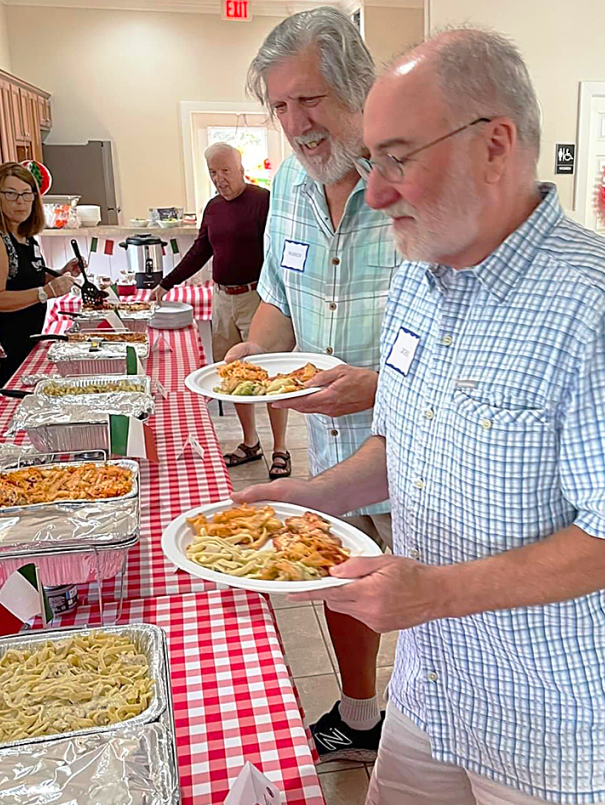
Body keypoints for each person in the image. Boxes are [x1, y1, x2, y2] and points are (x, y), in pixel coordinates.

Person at [236, 28, 605, 805]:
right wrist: (305, 500)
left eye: (398, 158)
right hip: (434, 685)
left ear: (495, 145)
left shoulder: (604, 305)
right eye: (372, 159)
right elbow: (402, 444)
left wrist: (433, 593)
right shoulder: (422, 275)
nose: (375, 191)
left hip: (548, 719)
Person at [230, 6, 400, 761]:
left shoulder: (407, 183)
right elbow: (278, 299)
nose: (296, 123)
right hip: (330, 441)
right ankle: (361, 718)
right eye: (279, 105)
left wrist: (379, 389)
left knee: (441, 603)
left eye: (311, 98)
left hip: (422, 447)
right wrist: (249, 354)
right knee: (346, 583)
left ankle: (448, 745)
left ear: (359, 88)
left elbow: (468, 339)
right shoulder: (290, 190)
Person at [150, 144, 290, 478]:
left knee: (270, 374)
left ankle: (281, 448)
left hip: (259, 298)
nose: (219, 179)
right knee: (233, 372)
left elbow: (280, 250)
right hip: (223, 299)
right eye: (213, 172)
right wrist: (167, 283)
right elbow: (201, 250)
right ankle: (250, 442)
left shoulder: (263, 201)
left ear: (241, 168)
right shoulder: (213, 208)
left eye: (225, 171)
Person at [0, 163, 78, 385]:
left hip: (27, 342)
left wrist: (60, 274)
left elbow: (26, 279)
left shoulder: (25, 236)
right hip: (5, 349)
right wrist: (45, 293)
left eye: (26, 194)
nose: (20, 201)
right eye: (11, 194)